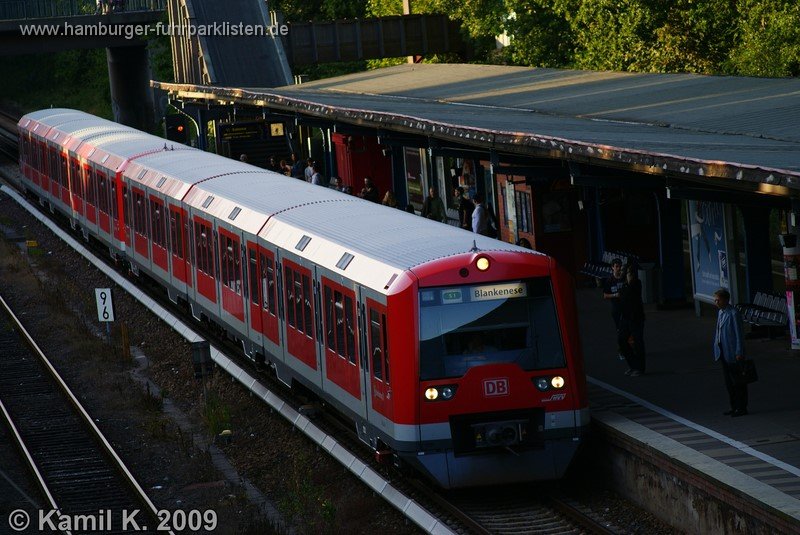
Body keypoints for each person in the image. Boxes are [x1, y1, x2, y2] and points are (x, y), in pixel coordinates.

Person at [713, 288, 748, 416]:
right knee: (729, 382)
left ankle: (741, 407)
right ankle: (733, 406)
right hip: (722, 351)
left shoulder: (733, 313)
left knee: (738, 382)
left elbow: (739, 334)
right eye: (715, 300)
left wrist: (739, 351)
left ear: (725, 300)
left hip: (732, 352)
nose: (716, 302)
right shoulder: (720, 313)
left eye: (718, 300)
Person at [618, 265, 646, 376]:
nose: (629, 275)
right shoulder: (623, 284)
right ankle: (633, 365)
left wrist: (629, 282)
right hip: (625, 317)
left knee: (638, 342)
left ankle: (640, 368)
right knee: (621, 340)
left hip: (636, 318)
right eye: (628, 273)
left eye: (630, 273)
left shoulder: (636, 283)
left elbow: (630, 295)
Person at [603, 258, 626, 359]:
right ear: (612, 267)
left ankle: (631, 348)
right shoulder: (609, 281)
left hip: (626, 308)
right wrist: (615, 295)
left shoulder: (624, 279)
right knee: (620, 331)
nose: (618, 268)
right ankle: (621, 351)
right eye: (616, 266)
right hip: (616, 309)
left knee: (629, 329)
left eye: (620, 266)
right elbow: (605, 295)